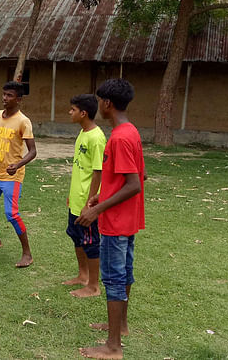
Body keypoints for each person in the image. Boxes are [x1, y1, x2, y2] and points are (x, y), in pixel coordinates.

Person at [76, 78, 146, 360]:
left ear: (107, 103)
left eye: (99, 101)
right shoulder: (131, 132)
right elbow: (134, 175)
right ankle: (121, 326)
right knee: (124, 273)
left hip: (116, 223)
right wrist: (100, 195)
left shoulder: (119, 138)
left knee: (115, 279)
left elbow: (134, 184)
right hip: (126, 219)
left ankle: (113, 347)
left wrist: (97, 208)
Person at [0, 81, 36, 268]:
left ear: (19, 99)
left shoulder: (23, 121)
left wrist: (18, 165)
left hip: (13, 176)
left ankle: (27, 253)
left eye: (9, 95)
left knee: (11, 214)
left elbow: (33, 151)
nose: (5, 98)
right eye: (4, 94)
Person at [63, 94, 106, 298]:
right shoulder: (83, 133)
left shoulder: (96, 138)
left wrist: (90, 203)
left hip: (87, 203)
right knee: (76, 237)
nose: (69, 113)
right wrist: (73, 196)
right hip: (76, 199)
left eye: (72, 109)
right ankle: (83, 276)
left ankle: (94, 286)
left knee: (90, 242)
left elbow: (98, 171)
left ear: (83, 113)